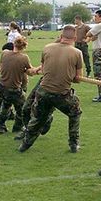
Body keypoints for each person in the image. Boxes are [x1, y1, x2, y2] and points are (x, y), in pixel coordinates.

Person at [18, 25, 83, 153]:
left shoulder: (47, 48)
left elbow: (43, 68)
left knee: (37, 119)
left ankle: (25, 145)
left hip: (42, 91)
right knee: (75, 113)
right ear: (75, 37)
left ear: (60, 36)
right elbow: (78, 78)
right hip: (61, 94)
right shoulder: (77, 53)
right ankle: (73, 144)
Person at [0, 36, 35, 134]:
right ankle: (17, 127)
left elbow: (2, 66)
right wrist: (35, 70)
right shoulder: (24, 58)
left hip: (1, 86)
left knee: (6, 105)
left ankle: (1, 126)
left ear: (14, 44)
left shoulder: (4, 53)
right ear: (24, 47)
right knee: (23, 108)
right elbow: (30, 72)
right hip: (13, 89)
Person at [86, 9, 101, 102]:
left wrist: (91, 37)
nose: (94, 18)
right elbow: (92, 37)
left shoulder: (100, 25)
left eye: (96, 16)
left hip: (99, 51)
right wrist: (92, 38)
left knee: (98, 73)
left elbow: (88, 34)